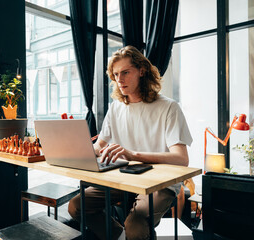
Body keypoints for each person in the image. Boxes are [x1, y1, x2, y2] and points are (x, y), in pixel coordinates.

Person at [68, 45, 192, 240]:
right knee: (77, 206)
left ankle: (130, 235)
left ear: (142, 71)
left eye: (125, 72)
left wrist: (133, 155)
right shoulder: (116, 107)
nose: (119, 79)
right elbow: (100, 145)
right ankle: (119, 237)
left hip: (159, 183)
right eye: (116, 74)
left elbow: (181, 159)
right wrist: (77, 151)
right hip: (124, 179)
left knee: (135, 225)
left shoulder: (169, 107)